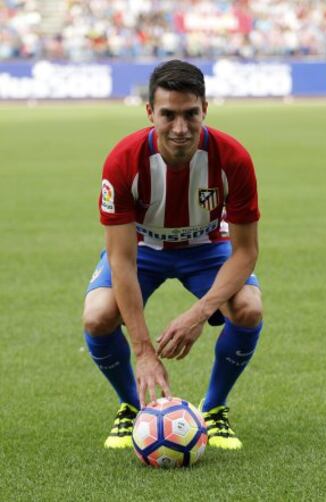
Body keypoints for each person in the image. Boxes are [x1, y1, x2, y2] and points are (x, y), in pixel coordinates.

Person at [83, 59, 263, 451]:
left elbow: (246, 252)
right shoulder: (123, 160)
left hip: (208, 247)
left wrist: (199, 313)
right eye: (168, 115)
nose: (180, 128)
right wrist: (144, 351)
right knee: (98, 317)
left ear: (205, 110)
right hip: (143, 249)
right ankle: (131, 407)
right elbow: (122, 260)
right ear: (150, 112)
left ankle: (214, 410)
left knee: (248, 308)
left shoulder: (233, 159)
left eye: (189, 115)